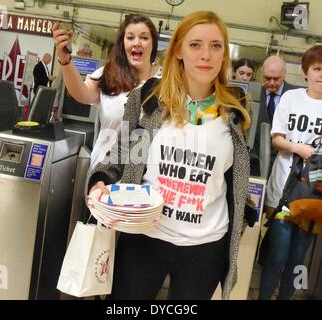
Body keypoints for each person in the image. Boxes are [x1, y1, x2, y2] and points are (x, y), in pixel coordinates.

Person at [87, 11, 256, 300]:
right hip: (145, 235)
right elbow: (126, 149)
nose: (206, 55)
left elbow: (233, 172)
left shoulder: (236, 106)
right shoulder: (150, 97)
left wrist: (246, 208)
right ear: (178, 49)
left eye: (216, 46)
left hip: (206, 246)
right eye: (195, 45)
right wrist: (101, 178)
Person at [52, 14, 160, 170]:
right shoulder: (109, 75)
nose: (136, 43)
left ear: (153, 44)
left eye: (144, 38)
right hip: (103, 175)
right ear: (122, 44)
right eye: (130, 38)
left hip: (148, 178)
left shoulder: (165, 81)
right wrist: (65, 59)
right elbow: (81, 94)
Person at [258, 45, 322, 300]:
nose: (321, 74)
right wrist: (301, 148)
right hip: (284, 190)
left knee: (298, 260)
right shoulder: (291, 98)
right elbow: (277, 139)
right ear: (306, 71)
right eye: (317, 69)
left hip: (315, 194)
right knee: (278, 254)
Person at [252, 55, 298, 175]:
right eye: (267, 78)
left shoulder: (296, 96)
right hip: (256, 163)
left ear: (284, 75)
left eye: (276, 79)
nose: (271, 83)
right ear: (261, 74)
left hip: (285, 163)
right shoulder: (253, 94)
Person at [51, 42, 93, 120]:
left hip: (84, 110)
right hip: (66, 107)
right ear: (79, 53)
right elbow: (57, 85)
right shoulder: (67, 64)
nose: (87, 56)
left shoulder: (91, 68)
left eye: (89, 54)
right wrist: (55, 105)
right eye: (86, 53)